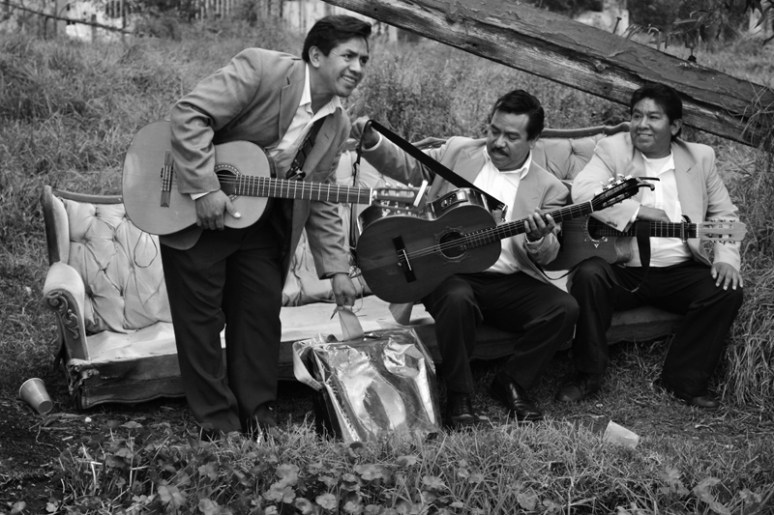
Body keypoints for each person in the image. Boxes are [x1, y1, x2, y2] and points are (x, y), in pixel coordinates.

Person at [160, 15, 372, 440]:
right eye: (348, 55)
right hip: (198, 212)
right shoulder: (262, 69)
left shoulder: (338, 123)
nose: (358, 67)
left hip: (264, 225)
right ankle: (220, 428)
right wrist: (203, 188)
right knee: (200, 325)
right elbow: (189, 114)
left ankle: (259, 419)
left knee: (259, 318)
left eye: (364, 59)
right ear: (316, 54)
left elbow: (320, 193)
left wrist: (336, 268)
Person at [354, 90, 579, 428]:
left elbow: (548, 255)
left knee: (564, 309)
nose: (498, 142)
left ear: (533, 140)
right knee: (457, 297)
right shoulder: (460, 151)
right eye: (494, 131)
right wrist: (373, 142)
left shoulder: (549, 189)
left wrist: (537, 237)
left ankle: (512, 381)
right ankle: (459, 394)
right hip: (448, 271)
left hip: (508, 280)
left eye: (511, 137)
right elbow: (409, 167)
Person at [558, 83, 744, 409]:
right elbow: (583, 192)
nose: (642, 124)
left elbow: (724, 214)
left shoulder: (700, 158)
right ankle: (587, 374)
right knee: (588, 275)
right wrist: (637, 211)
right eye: (636, 115)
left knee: (725, 290)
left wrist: (727, 257)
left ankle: (683, 381)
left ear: (674, 126)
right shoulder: (613, 149)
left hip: (679, 269)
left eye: (653, 117)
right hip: (623, 268)